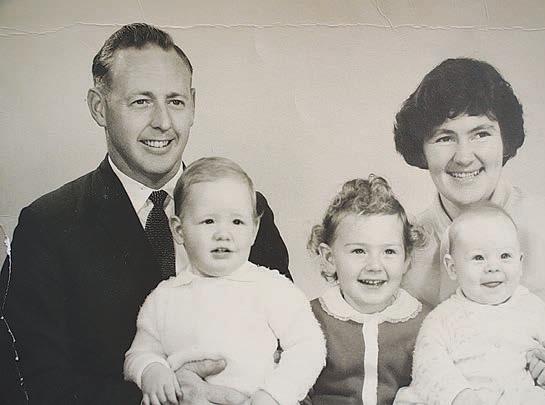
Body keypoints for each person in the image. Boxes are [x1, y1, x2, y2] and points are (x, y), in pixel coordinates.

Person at [0, 23, 289, 405]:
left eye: (176, 101)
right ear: (99, 108)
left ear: (193, 105)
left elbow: (288, 343)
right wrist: (166, 398)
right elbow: (33, 382)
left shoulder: (247, 209)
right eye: (141, 101)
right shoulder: (48, 226)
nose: (163, 122)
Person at [393, 57, 545, 403]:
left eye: (481, 133)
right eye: (444, 137)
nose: (464, 157)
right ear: (422, 149)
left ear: (505, 139)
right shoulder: (402, 246)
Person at [124, 157, 325, 405]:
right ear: (179, 230)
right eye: (209, 221)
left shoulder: (272, 288)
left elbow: (309, 346)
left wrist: (273, 396)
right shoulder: (163, 298)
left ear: (254, 230)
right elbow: (139, 353)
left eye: (237, 221)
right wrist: (152, 370)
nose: (223, 234)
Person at [395, 203, 545, 405]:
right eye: (478, 257)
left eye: (505, 256)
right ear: (452, 268)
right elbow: (428, 365)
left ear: (520, 263)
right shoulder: (443, 317)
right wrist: (460, 396)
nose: (493, 267)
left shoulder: (534, 308)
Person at [304, 175, 429, 405]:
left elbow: (440, 383)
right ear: (329, 258)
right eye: (359, 251)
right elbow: (290, 386)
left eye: (389, 252)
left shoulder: (426, 323)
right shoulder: (308, 319)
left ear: (406, 260)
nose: (374, 266)